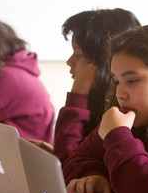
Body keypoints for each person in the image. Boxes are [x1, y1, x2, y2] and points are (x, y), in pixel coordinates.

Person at [64, 24, 148, 193]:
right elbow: (78, 158)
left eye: (131, 81)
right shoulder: (134, 118)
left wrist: (118, 136)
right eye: (116, 81)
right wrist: (94, 176)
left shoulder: (121, 128)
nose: (120, 93)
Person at [54, 8, 141, 167]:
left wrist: (78, 92)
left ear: (104, 61)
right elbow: (73, 161)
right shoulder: (98, 100)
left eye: (78, 54)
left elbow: (67, 165)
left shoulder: (125, 110)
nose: (69, 61)